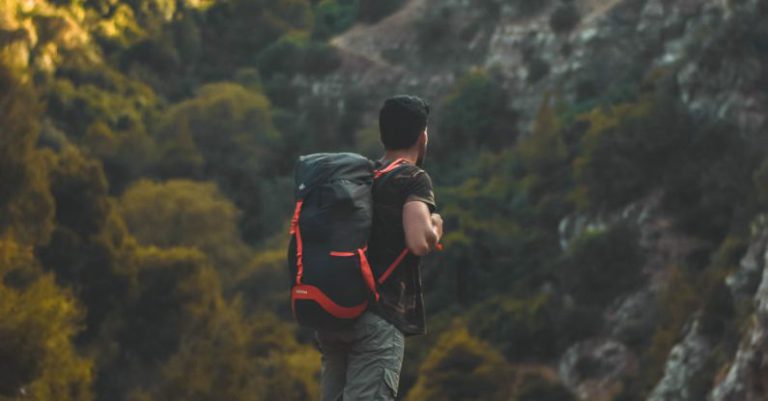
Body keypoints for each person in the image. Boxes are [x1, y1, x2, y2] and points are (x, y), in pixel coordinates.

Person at [315, 95, 443, 401]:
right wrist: (436, 224)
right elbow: (419, 240)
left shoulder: (362, 177)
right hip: (378, 318)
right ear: (422, 137)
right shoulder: (413, 178)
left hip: (334, 316)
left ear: (382, 135)